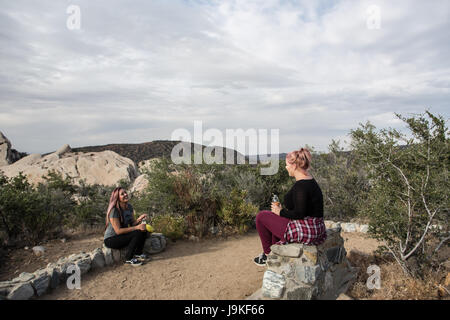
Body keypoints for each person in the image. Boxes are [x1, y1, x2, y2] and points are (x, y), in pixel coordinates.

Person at [253, 147, 327, 266]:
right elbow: (302, 208)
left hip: (307, 229)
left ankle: (267, 255)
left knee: (261, 216)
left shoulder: (301, 186)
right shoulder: (310, 181)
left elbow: (298, 213)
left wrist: (280, 212)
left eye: (287, 165)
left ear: (294, 166)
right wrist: (280, 212)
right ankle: (275, 253)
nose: (286, 167)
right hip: (315, 226)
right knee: (273, 219)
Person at [104, 187, 150, 266]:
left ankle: (138, 253)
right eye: (122, 194)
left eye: (125, 192)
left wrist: (139, 219)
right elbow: (118, 231)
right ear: (117, 198)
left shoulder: (129, 207)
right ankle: (129, 258)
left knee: (143, 230)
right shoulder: (114, 211)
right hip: (111, 239)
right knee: (137, 232)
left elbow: (132, 223)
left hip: (121, 236)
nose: (125, 194)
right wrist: (137, 227)